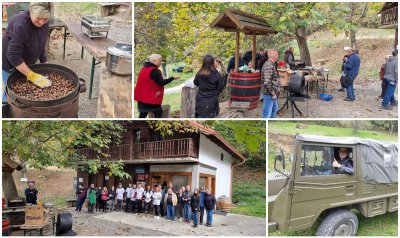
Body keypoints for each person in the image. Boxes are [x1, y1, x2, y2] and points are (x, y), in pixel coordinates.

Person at [2, 2, 52, 101]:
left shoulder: (44, 22)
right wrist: (32, 75)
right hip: (9, 63)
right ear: (31, 12)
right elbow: (13, 55)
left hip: (26, 62)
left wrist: (45, 63)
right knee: (10, 93)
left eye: (45, 19)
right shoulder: (20, 24)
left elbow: (41, 43)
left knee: (27, 91)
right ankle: (4, 109)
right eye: (39, 18)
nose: (42, 22)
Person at [134, 54, 180, 118]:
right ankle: (155, 127)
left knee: (142, 115)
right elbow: (161, 83)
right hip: (150, 99)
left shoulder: (143, 69)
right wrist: (172, 78)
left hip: (141, 98)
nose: (160, 62)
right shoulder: (155, 71)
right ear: (154, 61)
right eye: (160, 61)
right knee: (158, 113)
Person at [261, 49, 281, 118]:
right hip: (269, 94)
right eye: (277, 54)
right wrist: (272, 94)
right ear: (274, 56)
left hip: (273, 93)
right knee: (267, 113)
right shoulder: (268, 65)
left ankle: (270, 123)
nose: (277, 56)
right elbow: (267, 82)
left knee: (274, 110)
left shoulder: (272, 64)